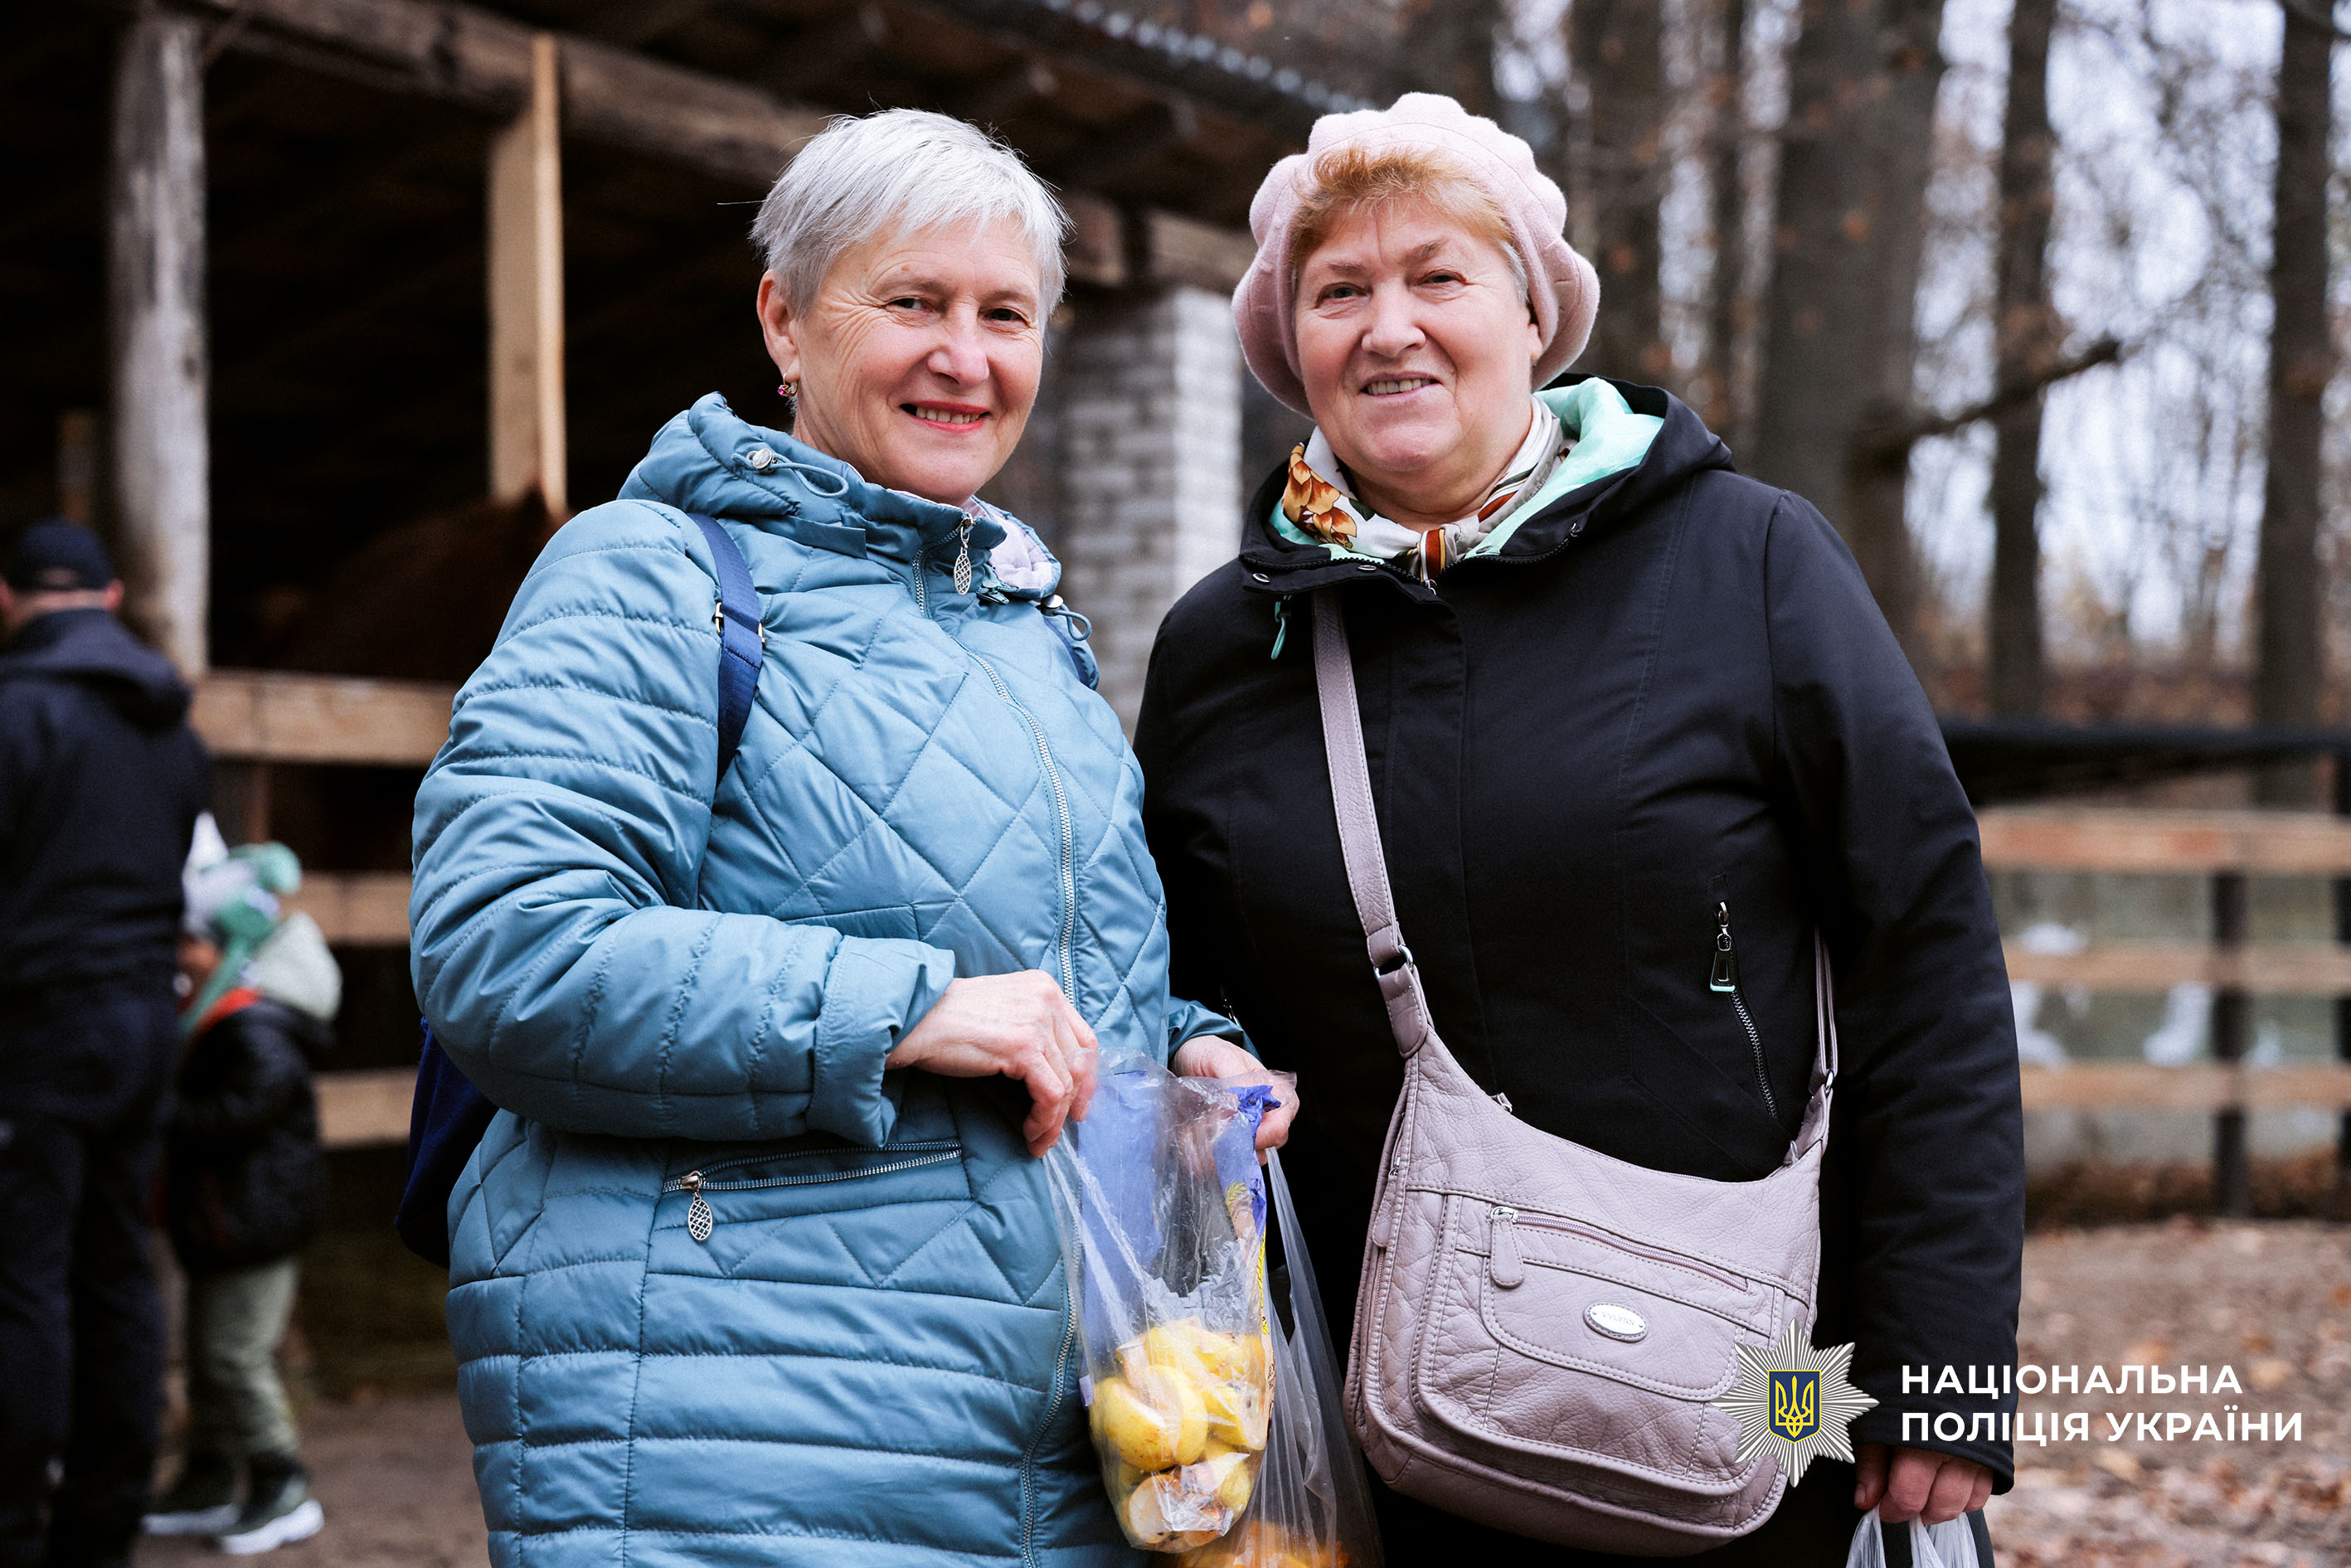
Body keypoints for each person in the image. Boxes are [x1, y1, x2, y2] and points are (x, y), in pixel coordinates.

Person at [1135, 94, 2023, 1566]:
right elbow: (1172, 986)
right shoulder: (1227, 649)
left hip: (1770, 1378)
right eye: (1338, 290)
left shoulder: (1749, 562)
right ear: (1288, 343)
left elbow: (1923, 957)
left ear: (1534, 315)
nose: (1388, 326)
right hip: (1378, 1419)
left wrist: (1936, 1365)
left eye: (1439, 277)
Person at [407, 109, 1290, 1566]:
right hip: (743, 1449)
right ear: (785, 318)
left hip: (1051, 1453)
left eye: (1006, 315)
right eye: (913, 303)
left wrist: (1184, 1046)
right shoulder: (652, 577)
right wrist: (907, 1009)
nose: (966, 356)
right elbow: (513, 953)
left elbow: (1038, 972)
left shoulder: (1030, 636)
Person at [0, 520, 211, 1568]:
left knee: (22, 1272)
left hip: (38, 1020)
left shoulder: (16, 713)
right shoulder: (170, 725)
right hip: (144, 1017)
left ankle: (9, 1512)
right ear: (114, 596)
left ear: (6, 599)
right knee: (116, 1261)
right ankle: (104, 1514)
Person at [143, 836, 340, 1555]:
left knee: (233, 1357)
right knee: (206, 1356)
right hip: (224, 1220)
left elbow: (238, 1117)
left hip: (254, 1222)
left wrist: (157, 1111)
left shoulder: (254, 1028)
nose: (178, 957)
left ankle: (281, 1481)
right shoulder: (218, 1021)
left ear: (221, 947)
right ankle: (207, 1475)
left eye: (191, 945)